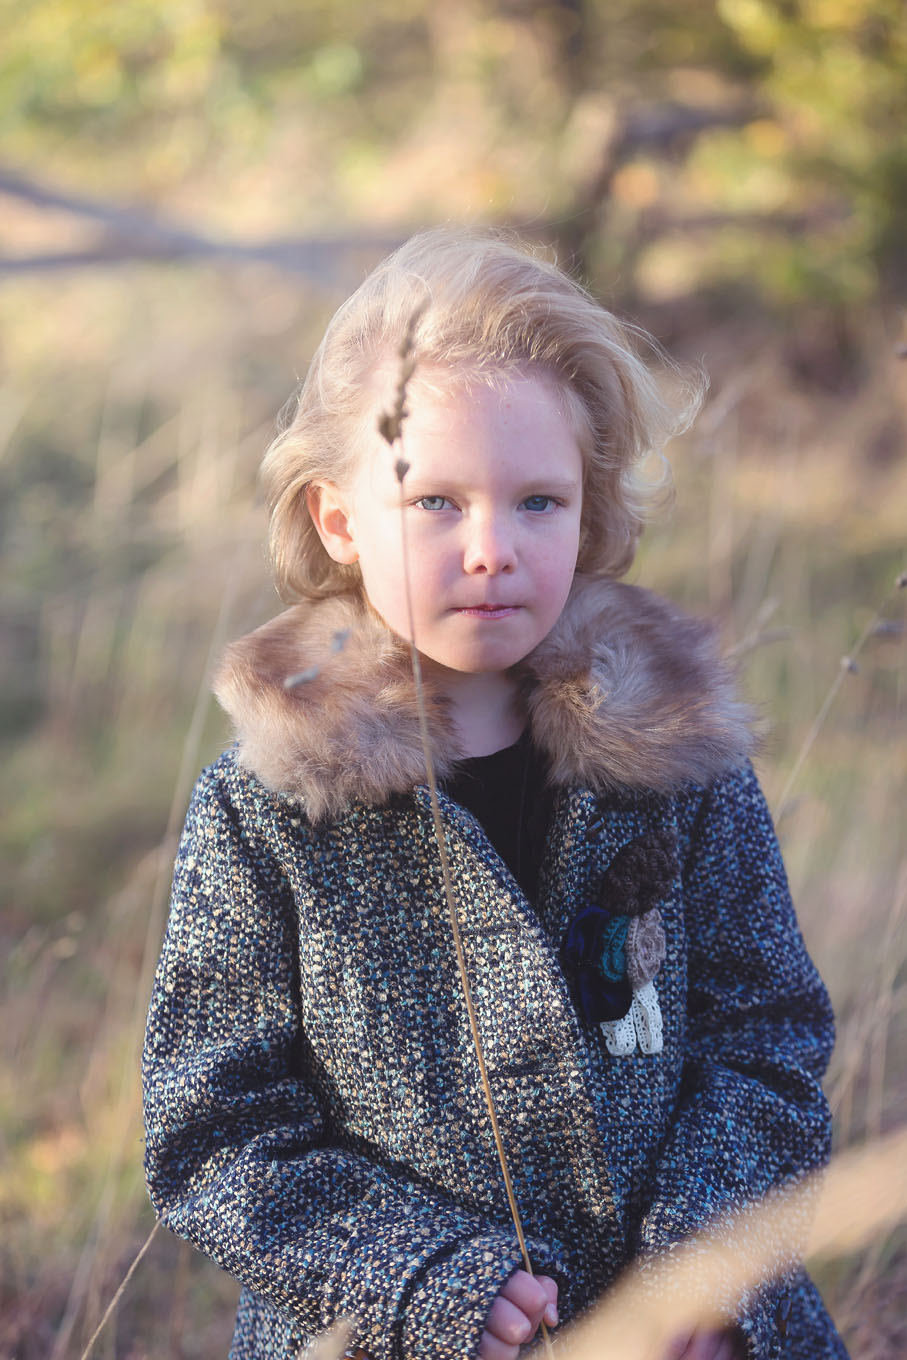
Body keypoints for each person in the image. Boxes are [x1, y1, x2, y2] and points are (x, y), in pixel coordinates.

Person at [142, 228, 849, 1360]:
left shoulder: (679, 759)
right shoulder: (266, 811)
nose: (491, 550)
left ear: (588, 505)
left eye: (537, 502)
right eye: (435, 503)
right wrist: (419, 1279)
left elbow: (767, 1040)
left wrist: (704, 1276)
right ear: (339, 518)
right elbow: (215, 1139)